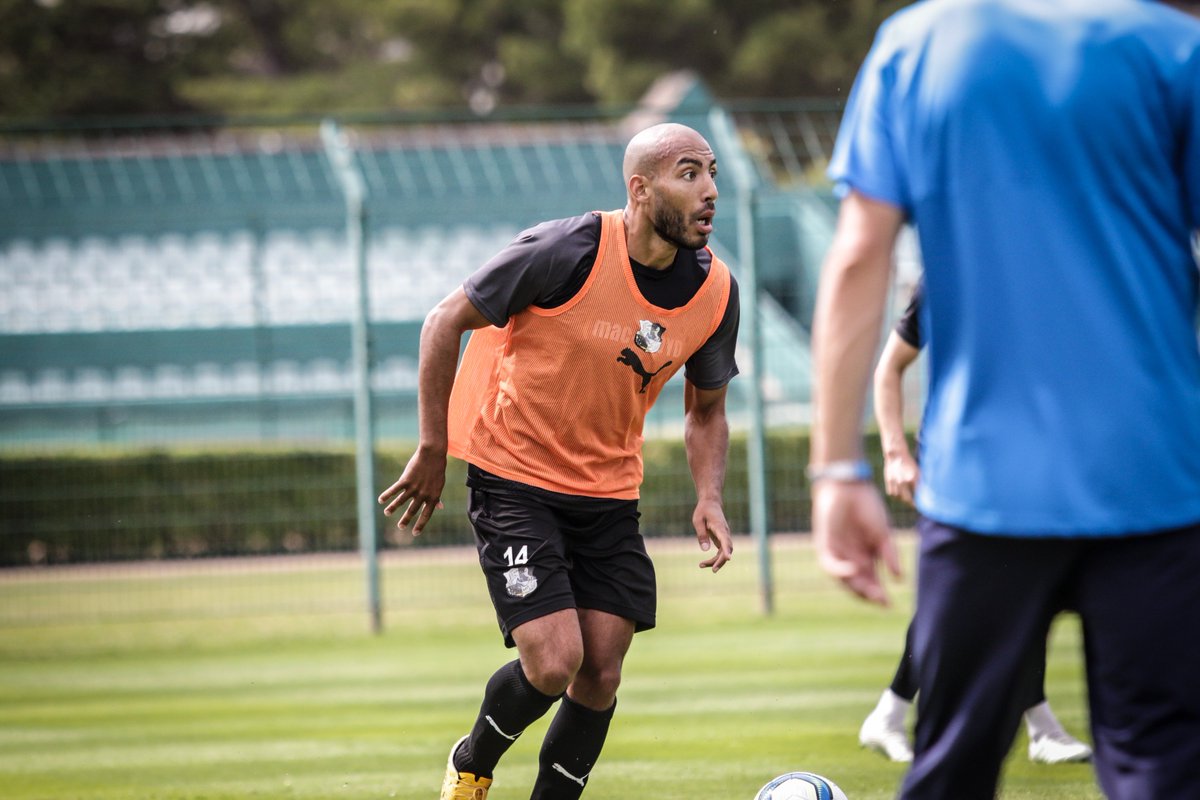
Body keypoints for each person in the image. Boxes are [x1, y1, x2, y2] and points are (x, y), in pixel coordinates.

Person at [808, 1, 1200, 798]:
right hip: (1155, 478)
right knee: (1163, 769)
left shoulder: (915, 45)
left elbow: (857, 260)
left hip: (983, 486)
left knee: (951, 768)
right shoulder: (1174, 49)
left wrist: (836, 469)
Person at [378, 122, 739, 800]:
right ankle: (472, 764)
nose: (711, 190)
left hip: (607, 495)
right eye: (689, 173)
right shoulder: (564, 250)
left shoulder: (716, 292)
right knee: (554, 661)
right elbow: (443, 322)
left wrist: (709, 496)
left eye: (712, 172)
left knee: (601, 669)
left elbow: (707, 409)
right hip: (515, 479)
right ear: (640, 189)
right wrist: (432, 446)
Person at [858, 280, 1092, 766]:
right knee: (982, 592)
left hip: (1024, 462)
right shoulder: (948, 277)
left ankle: (892, 712)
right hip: (957, 467)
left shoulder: (1054, 273)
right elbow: (888, 370)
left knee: (1008, 592)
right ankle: (1037, 729)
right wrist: (895, 452)